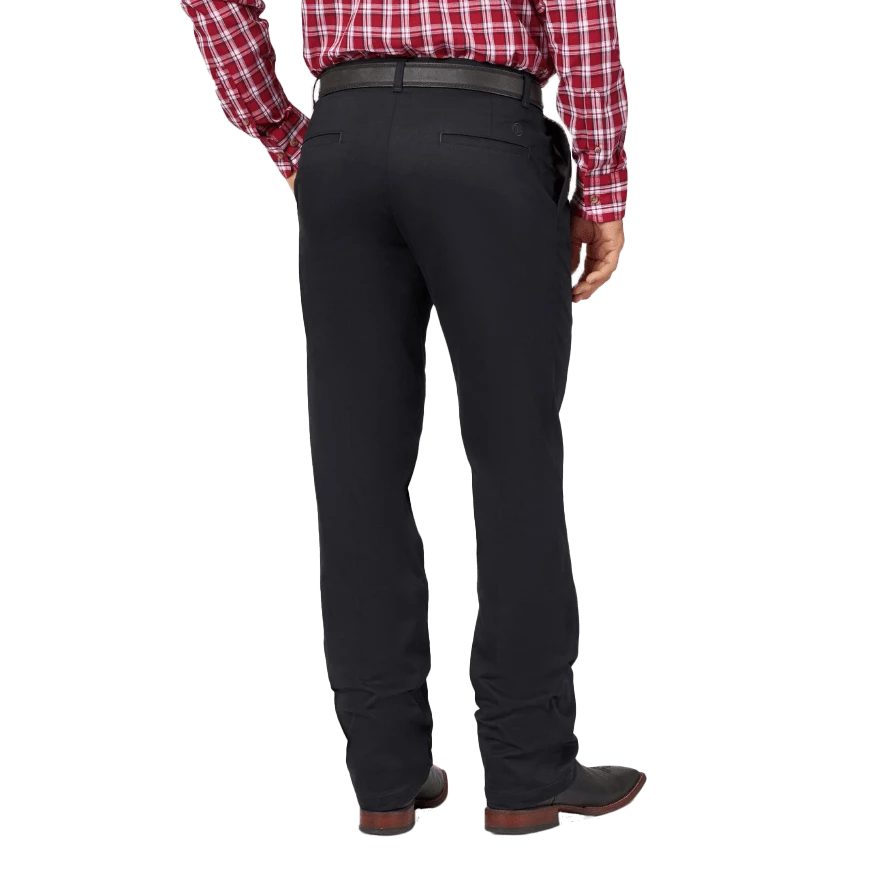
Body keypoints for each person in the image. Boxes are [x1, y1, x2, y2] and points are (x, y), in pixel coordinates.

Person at [181, 0, 643, 837]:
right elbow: (576, 9)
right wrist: (605, 183)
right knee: (515, 464)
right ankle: (528, 770)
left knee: (355, 469)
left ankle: (384, 776)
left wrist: (283, 129)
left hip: (344, 137)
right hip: (485, 137)